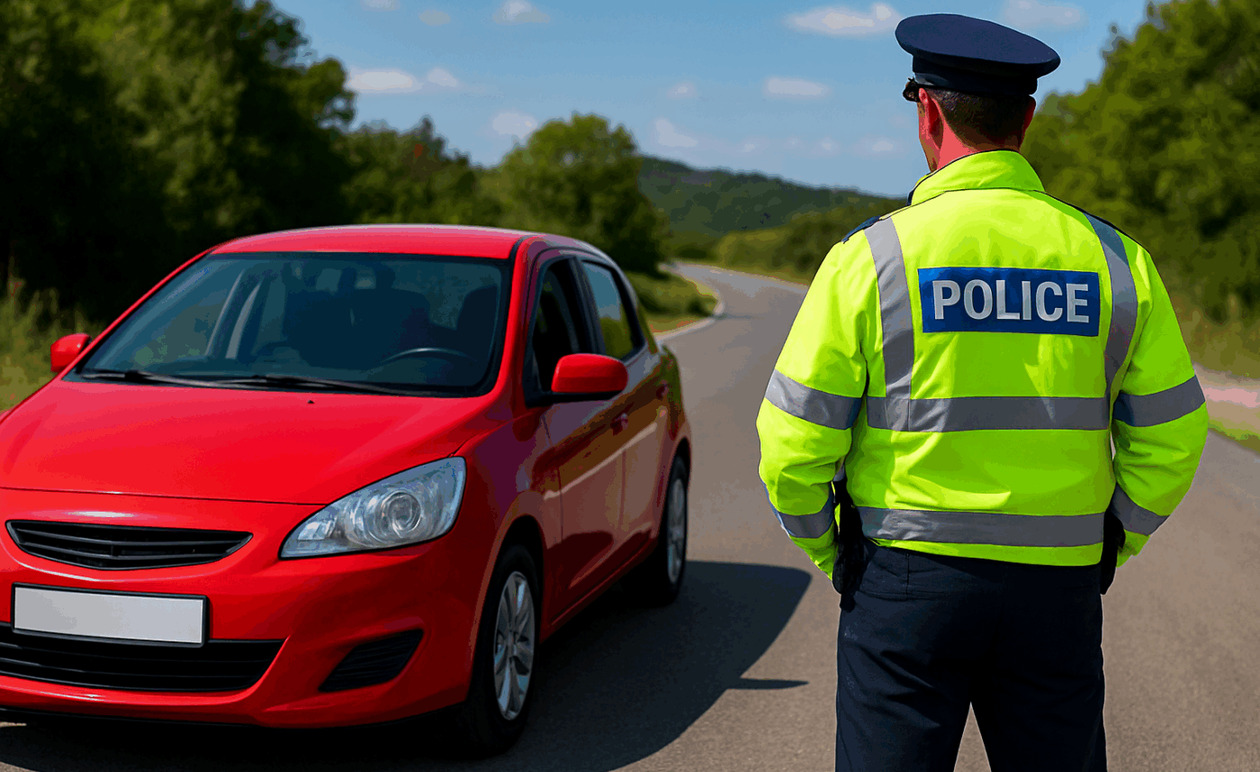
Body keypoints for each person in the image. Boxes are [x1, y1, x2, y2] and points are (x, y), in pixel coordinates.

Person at [755, 13, 1209, 772]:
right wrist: (1111, 541)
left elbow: (793, 441)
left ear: (927, 111)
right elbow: (1176, 432)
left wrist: (834, 554)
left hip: (905, 581)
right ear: (1026, 118)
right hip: (1057, 590)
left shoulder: (873, 258)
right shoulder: (1118, 260)